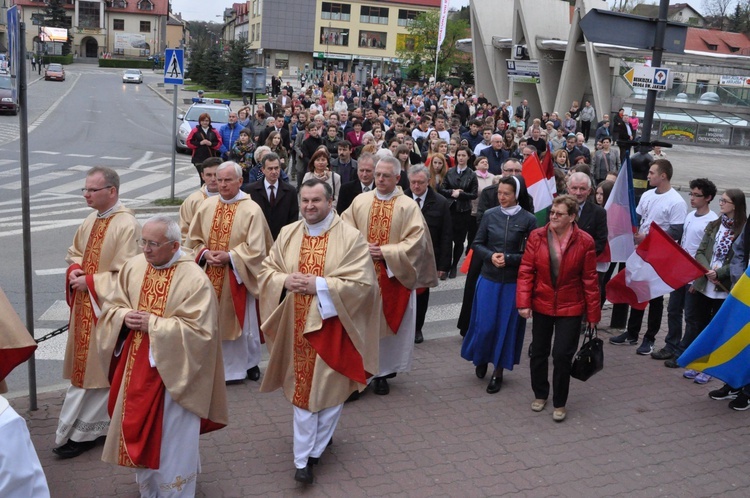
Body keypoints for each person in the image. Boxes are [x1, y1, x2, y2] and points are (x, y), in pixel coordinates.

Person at [258, 179, 382, 485]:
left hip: (331, 326)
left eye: (316, 201)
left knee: (330, 391)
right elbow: (266, 271)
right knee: (303, 393)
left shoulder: (350, 238)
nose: (309, 207)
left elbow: (364, 286)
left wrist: (321, 285)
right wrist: (285, 282)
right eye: (305, 201)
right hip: (294, 328)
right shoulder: (288, 233)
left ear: (331, 202)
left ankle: (310, 454)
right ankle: (306, 457)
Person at [99, 216, 228, 496]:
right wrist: (123, 317)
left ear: (174, 246)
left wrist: (153, 325)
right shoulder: (134, 267)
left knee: (173, 441)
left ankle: (176, 491)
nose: (145, 249)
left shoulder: (194, 278)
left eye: (153, 244)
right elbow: (112, 306)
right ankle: (150, 488)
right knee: (142, 432)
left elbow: (202, 332)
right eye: (142, 241)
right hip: (136, 369)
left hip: (175, 376)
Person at [54, 167, 142, 459]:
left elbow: (127, 274)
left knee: (98, 372)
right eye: (85, 189)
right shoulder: (92, 218)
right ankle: (80, 430)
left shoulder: (126, 224)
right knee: (84, 371)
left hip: (105, 310)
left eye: (92, 190)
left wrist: (90, 282)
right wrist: (75, 269)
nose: (86, 195)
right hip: (85, 306)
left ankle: (86, 432)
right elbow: (75, 250)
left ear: (112, 191)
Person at [341, 156, 438, 395]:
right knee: (361, 326)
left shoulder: (407, 205)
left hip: (392, 277)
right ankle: (359, 372)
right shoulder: (360, 201)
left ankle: (383, 373)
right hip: (362, 275)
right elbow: (343, 230)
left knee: (385, 328)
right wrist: (363, 248)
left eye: (386, 176)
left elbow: (417, 242)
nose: (380, 179)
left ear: (397, 178)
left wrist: (384, 252)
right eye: (377, 175)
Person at [186, 161, 273, 383]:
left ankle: (245, 366)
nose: (221, 184)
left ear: (239, 181)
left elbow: (257, 249)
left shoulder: (251, 209)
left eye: (227, 180)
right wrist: (205, 254)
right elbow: (192, 241)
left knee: (245, 328)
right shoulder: (206, 206)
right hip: (208, 277)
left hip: (238, 277)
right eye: (218, 179)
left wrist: (231, 257)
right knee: (208, 322)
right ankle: (214, 367)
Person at [517, 195, 600, 422]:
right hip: (542, 302)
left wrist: (593, 315)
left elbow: (590, 281)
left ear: (572, 217)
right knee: (539, 352)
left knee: (562, 355)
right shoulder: (537, 236)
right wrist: (523, 302)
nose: (553, 216)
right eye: (552, 212)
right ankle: (540, 393)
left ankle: (560, 401)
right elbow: (526, 270)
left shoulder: (585, 241)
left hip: (571, 306)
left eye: (559, 213)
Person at [462, 176, 536, 393]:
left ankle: (498, 371)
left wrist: (510, 258)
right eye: (499, 193)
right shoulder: (489, 215)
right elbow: (477, 243)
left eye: (507, 194)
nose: (501, 197)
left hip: (512, 282)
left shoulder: (528, 220)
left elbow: (531, 254)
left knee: (506, 327)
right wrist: (491, 256)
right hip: (488, 278)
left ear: (517, 195)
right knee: (484, 325)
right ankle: (482, 357)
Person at [610, 160, 687, 354]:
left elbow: (676, 231)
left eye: (652, 173)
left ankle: (650, 338)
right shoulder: (646, 195)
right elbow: (637, 218)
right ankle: (632, 332)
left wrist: (649, 237)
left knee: (655, 297)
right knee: (637, 291)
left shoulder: (676, 201)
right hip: (642, 252)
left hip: (660, 256)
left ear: (663, 175)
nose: (648, 176)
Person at [676, 189, 746, 385]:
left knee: (715, 328)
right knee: (699, 324)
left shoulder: (742, 230)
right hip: (704, 283)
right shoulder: (715, 225)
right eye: (721, 200)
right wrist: (707, 270)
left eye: (725, 201)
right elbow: (700, 251)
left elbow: (739, 260)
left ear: (736, 205)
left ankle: (709, 367)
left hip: (723, 288)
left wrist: (720, 273)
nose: (721, 203)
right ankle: (697, 363)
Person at [654, 178, 718, 363]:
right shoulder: (690, 216)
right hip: (680, 273)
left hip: (694, 276)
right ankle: (671, 345)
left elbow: (708, 253)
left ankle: (684, 351)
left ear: (708, 198)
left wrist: (699, 279)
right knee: (673, 310)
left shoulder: (712, 221)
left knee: (691, 316)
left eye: (697, 195)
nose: (692, 198)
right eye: (691, 194)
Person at [405, 165, 453, 344]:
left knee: (422, 295)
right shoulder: (401, 199)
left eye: (420, 183)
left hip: (427, 258)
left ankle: (417, 328)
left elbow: (447, 235)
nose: (416, 186)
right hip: (404, 258)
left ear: (428, 182)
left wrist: (443, 266)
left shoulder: (440, 202)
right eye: (413, 183)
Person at [440, 146, 479, 278]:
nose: (461, 158)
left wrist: (461, 194)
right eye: (459, 155)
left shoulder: (472, 174)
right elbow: (442, 189)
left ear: (468, 157)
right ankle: (444, 266)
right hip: (450, 209)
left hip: (463, 211)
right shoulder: (449, 172)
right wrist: (452, 192)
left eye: (463, 155)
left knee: (459, 240)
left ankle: (454, 265)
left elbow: (473, 194)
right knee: (447, 239)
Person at [243, 152, 299, 240]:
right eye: (270, 168)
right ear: (263, 170)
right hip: (257, 238)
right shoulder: (250, 190)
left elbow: (293, 218)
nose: (274, 172)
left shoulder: (290, 191)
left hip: (282, 238)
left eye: (276, 168)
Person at [179, 157, 221, 243]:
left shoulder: (232, 198)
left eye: (216, 175)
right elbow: (184, 231)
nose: (213, 179)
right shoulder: (192, 201)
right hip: (199, 251)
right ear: (202, 176)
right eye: (209, 175)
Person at [186, 113, 222, 184]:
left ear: (209, 122)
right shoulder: (195, 131)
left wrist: (211, 144)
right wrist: (200, 143)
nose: (205, 122)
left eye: (206, 121)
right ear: (200, 122)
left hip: (211, 158)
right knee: (203, 178)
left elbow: (219, 143)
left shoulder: (214, 131)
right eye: (203, 121)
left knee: (211, 178)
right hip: (198, 158)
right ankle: (203, 193)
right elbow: (189, 142)